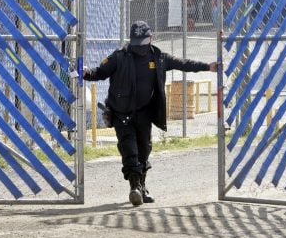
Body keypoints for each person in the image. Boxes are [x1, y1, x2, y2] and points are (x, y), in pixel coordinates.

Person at [83, 21, 217, 206]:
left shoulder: (158, 57)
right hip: (121, 113)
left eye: (142, 41)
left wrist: (207, 67)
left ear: (150, 38)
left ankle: (142, 186)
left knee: (144, 150)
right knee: (129, 151)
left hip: (145, 112)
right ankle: (135, 186)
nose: (139, 46)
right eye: (136, 42)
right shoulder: (119, 56)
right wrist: (85, 73)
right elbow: (100, 72)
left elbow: (183, 63)